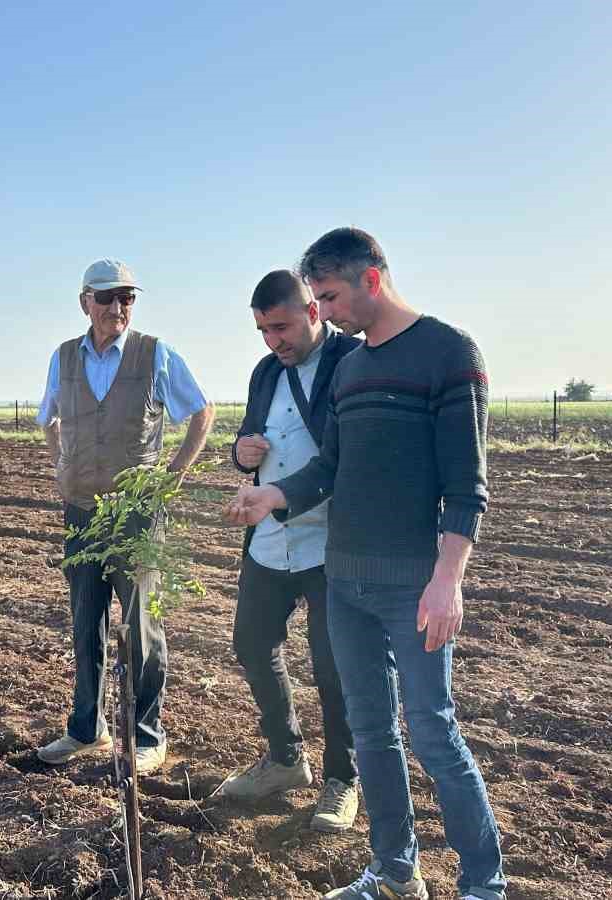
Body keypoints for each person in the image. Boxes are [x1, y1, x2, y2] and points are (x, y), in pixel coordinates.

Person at [226, 229, 506, 900]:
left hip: (412, 582)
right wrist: (275, 493)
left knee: (434, 733)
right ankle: (393, 872)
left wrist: (448, 581)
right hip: (344, 578)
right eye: (316, 296)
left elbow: (466, 486)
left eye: (328, 295)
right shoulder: (351, 370)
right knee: (372, 731)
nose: (326, 310)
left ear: (370, 280)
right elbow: (332, 466)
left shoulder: (447, 353)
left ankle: (482, 886)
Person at [35, 258, 215, 775]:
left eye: (127, 298)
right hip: (81, 510)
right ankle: (86, 729)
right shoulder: (64, 357)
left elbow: (200, 413)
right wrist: (62, 463)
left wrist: (174, 473)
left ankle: (146, 735)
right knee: (85, 620)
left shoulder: (155, 355)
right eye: (108, 297)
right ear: (84, 302)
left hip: (136, 513)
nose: (118, 308)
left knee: (140, 623)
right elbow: (48, 417)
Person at [219, 269, 362, 832]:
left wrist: (277, 490)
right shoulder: (264, 371)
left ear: (313, 310)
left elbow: (344, 455)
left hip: (334, 541)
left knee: (334, 665)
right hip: (271, 537)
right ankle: (285, 759)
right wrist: (242, 452)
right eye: (262, 331)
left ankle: (343, 780)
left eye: (280, 327)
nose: (272, 341)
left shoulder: (350, 362)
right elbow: (252, 438)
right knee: (252, 643)